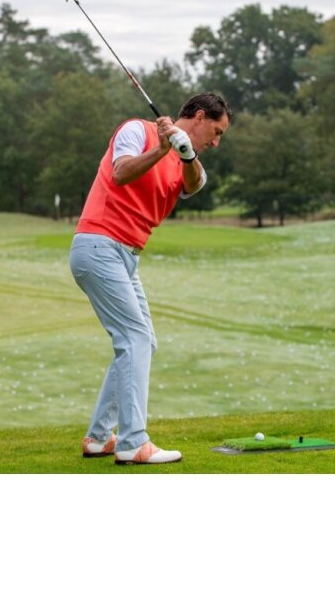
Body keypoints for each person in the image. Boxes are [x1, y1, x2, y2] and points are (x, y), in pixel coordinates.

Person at [69, 92, 231, 465]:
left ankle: (99, 437)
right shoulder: (136, 131)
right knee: (135, 339)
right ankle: (133, 442)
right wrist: (161, 148)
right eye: (217, 132)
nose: (216, 143)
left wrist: (184, 151)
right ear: (200, 117)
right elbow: (120, 173)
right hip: (99, 245)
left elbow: (193, 183)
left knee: (145, 342)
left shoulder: (192, 165)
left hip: (126, 257)